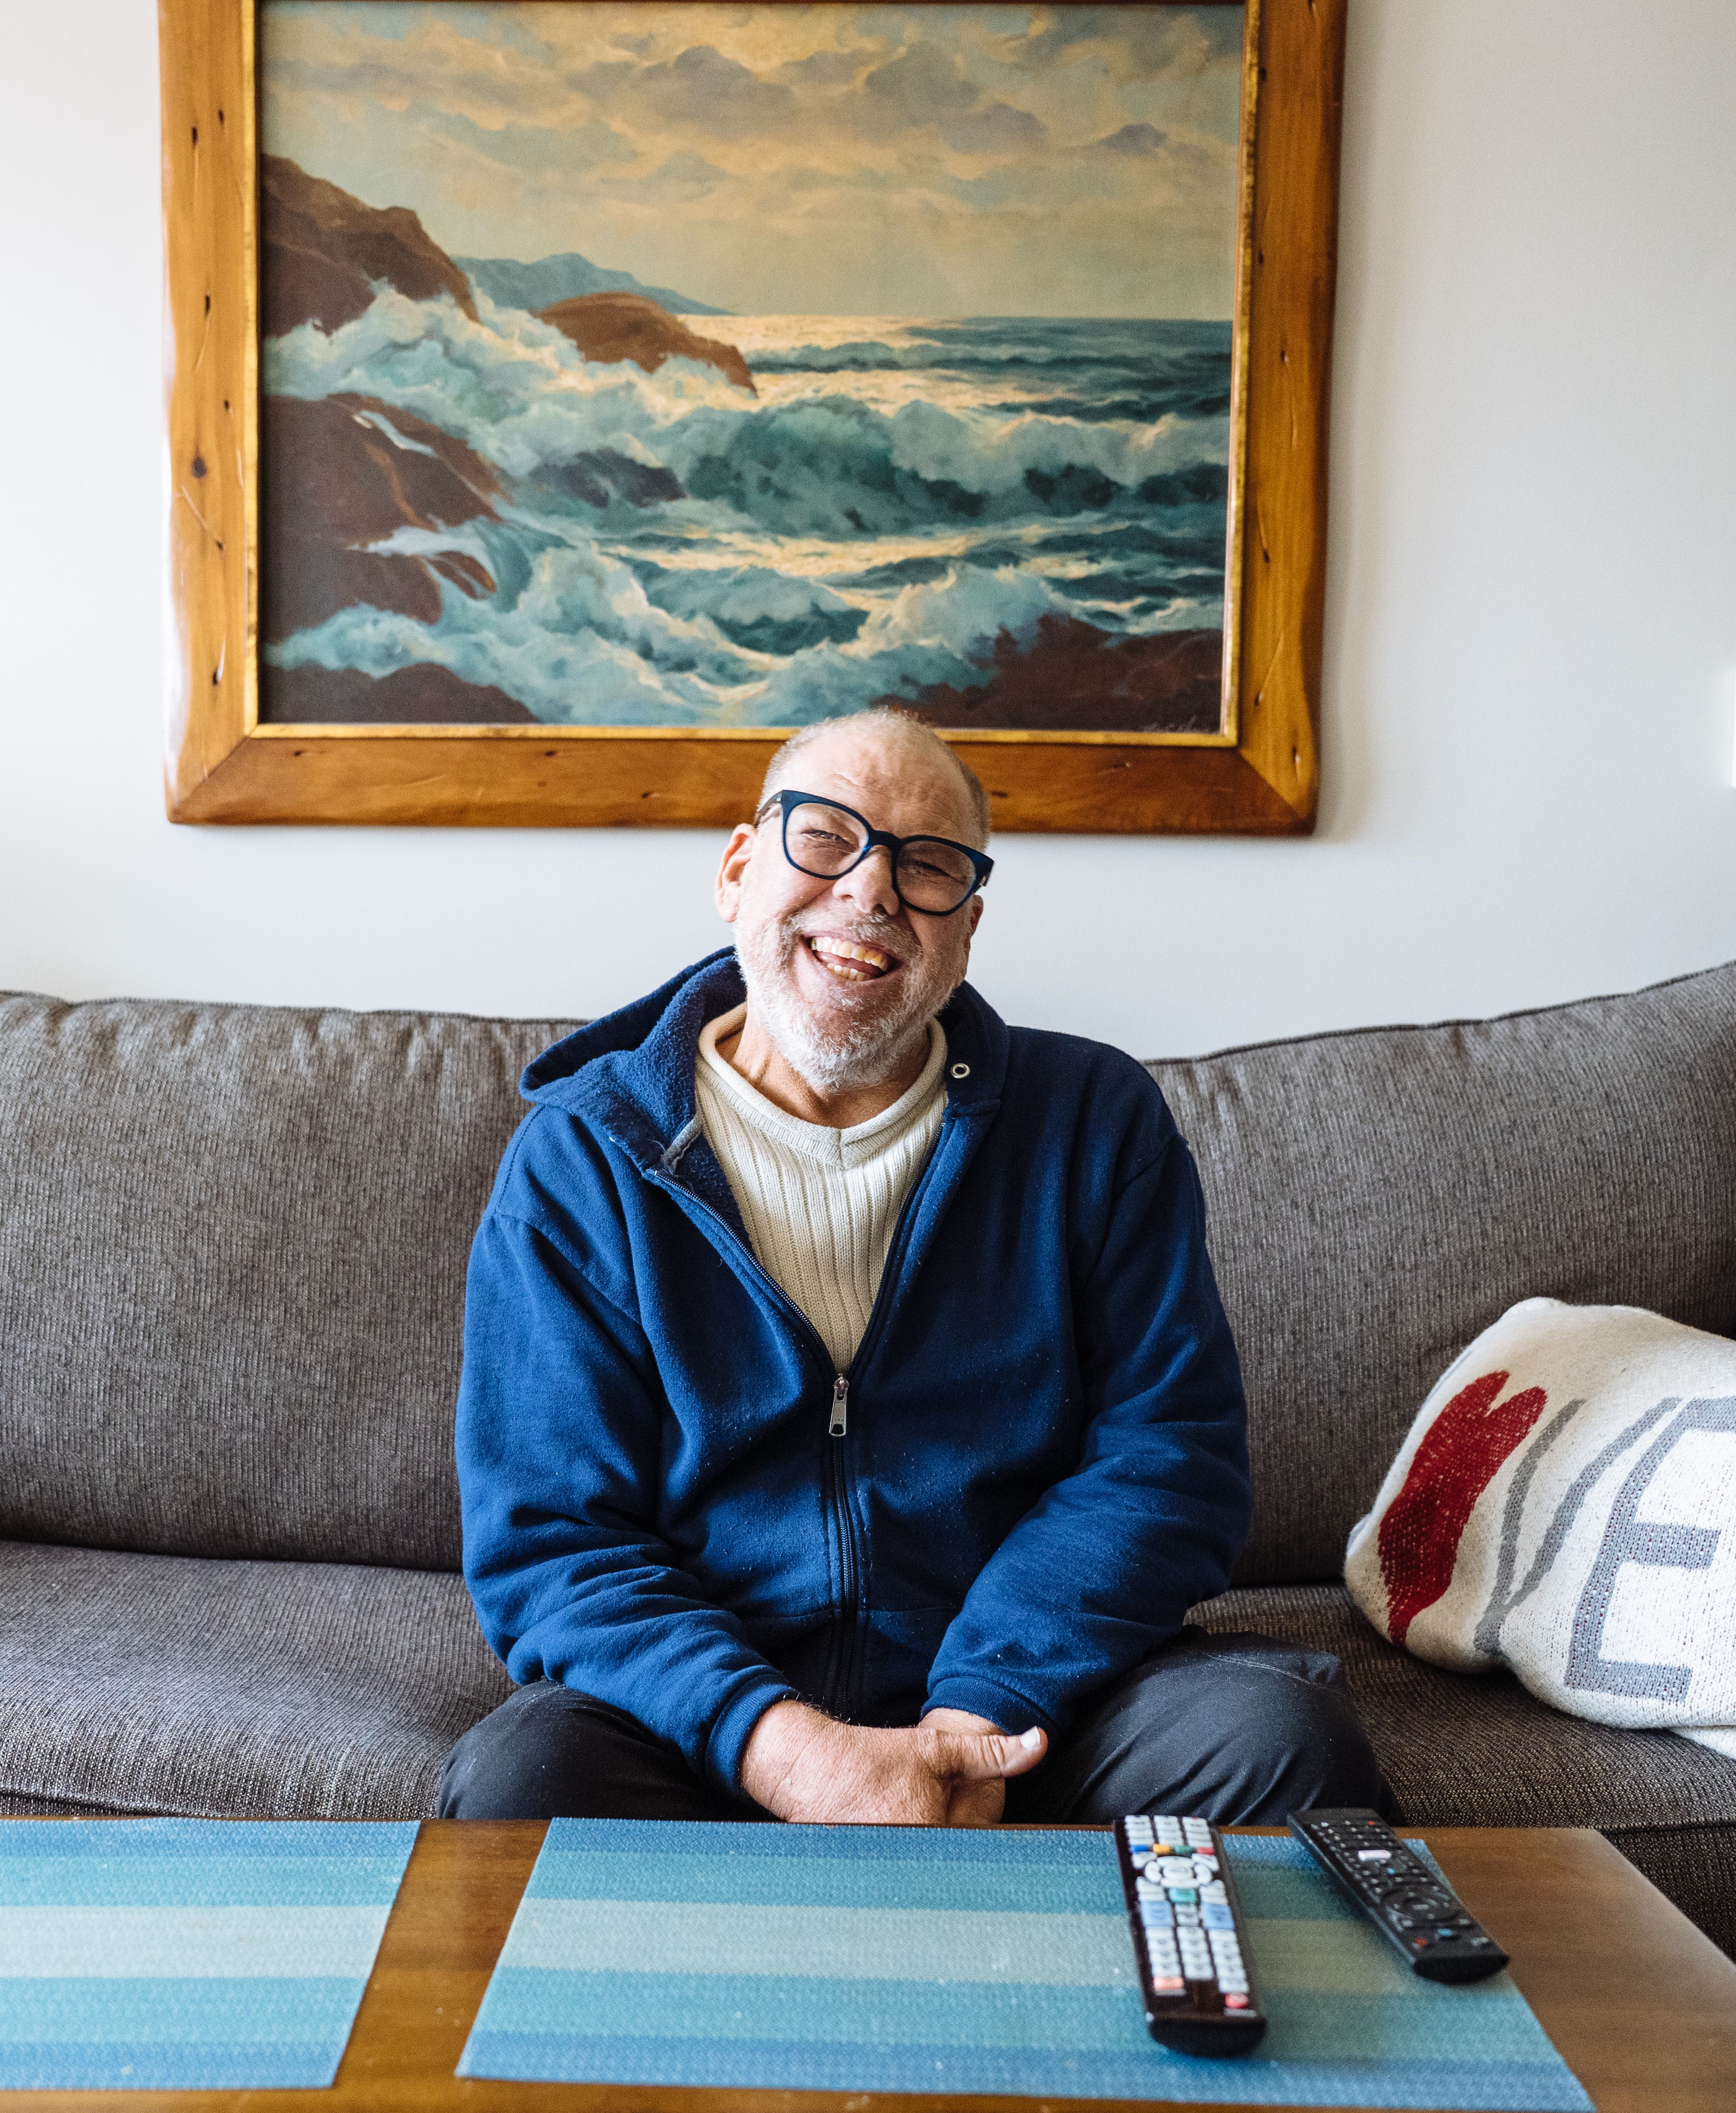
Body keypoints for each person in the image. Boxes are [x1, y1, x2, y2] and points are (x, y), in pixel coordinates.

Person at [443, 707, 1389, 1827]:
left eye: (928, 864)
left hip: (1035, 1707)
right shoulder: (582, 1158)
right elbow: (555, 1539)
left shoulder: (1094, 1124)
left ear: (967, 925)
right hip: (713, 1729)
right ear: (738, 870)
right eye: (825, 837)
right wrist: (787, 1751)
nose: (872, 891)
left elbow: (1168, 1460)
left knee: (1280, 1742)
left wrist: (977, 1719)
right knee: (521, 1783)